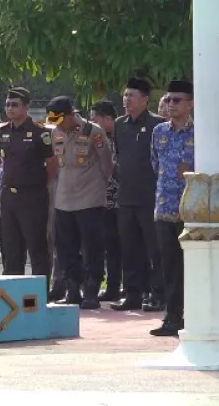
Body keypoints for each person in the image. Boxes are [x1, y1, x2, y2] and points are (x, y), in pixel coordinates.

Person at [48, 97, 113, 310]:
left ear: (70, 114)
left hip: (90, 198)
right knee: (66, 248)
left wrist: (100, 189)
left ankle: (91, 291)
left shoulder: (93, 132)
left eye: (60, 118)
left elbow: (106, 164)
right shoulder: (55, 132)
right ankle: (72, 290)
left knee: (92, 248)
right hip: (64, 199)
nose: (57, 123)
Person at [112, 77, 167, 313]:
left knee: (154, 249)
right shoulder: (119, 124)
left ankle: (158, 294)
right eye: (125, 96)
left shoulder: (159, 125)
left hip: (151, 197)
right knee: (129, 248)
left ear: (145, 99)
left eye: (131, 96)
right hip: (126, 197)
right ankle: (133, 294)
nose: (126, 100)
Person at [0, 86, 58, 279]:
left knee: (36, 247)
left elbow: (52, 166)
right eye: (7, 105)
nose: (10, 109)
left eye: (15, 105)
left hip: (32, 196)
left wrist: (42, 189)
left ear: (26, 107)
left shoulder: (40, 133)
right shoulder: (3, 132)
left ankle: (40, 295)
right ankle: (12, 296)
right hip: (8, 196)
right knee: (11, 248)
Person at [149, 79, 195, 337]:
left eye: (177, 100)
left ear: (190, 104)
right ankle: (173, 316)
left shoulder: (200, 132)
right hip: (165, 206)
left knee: (194, 265)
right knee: (169, 266)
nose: (170, 104)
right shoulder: (160, 132)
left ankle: (196, 315)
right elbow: (155, 164)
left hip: (192, 209)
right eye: (168, 99)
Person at [89, 101, 123, 302]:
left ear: (108, 119)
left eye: (96, 119)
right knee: (108, 246)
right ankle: (112, 287)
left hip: (121, 200)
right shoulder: (96, 138)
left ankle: (128, 286)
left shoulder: (121, 136)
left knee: (122, 246)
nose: (93, 124)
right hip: (103, 200)